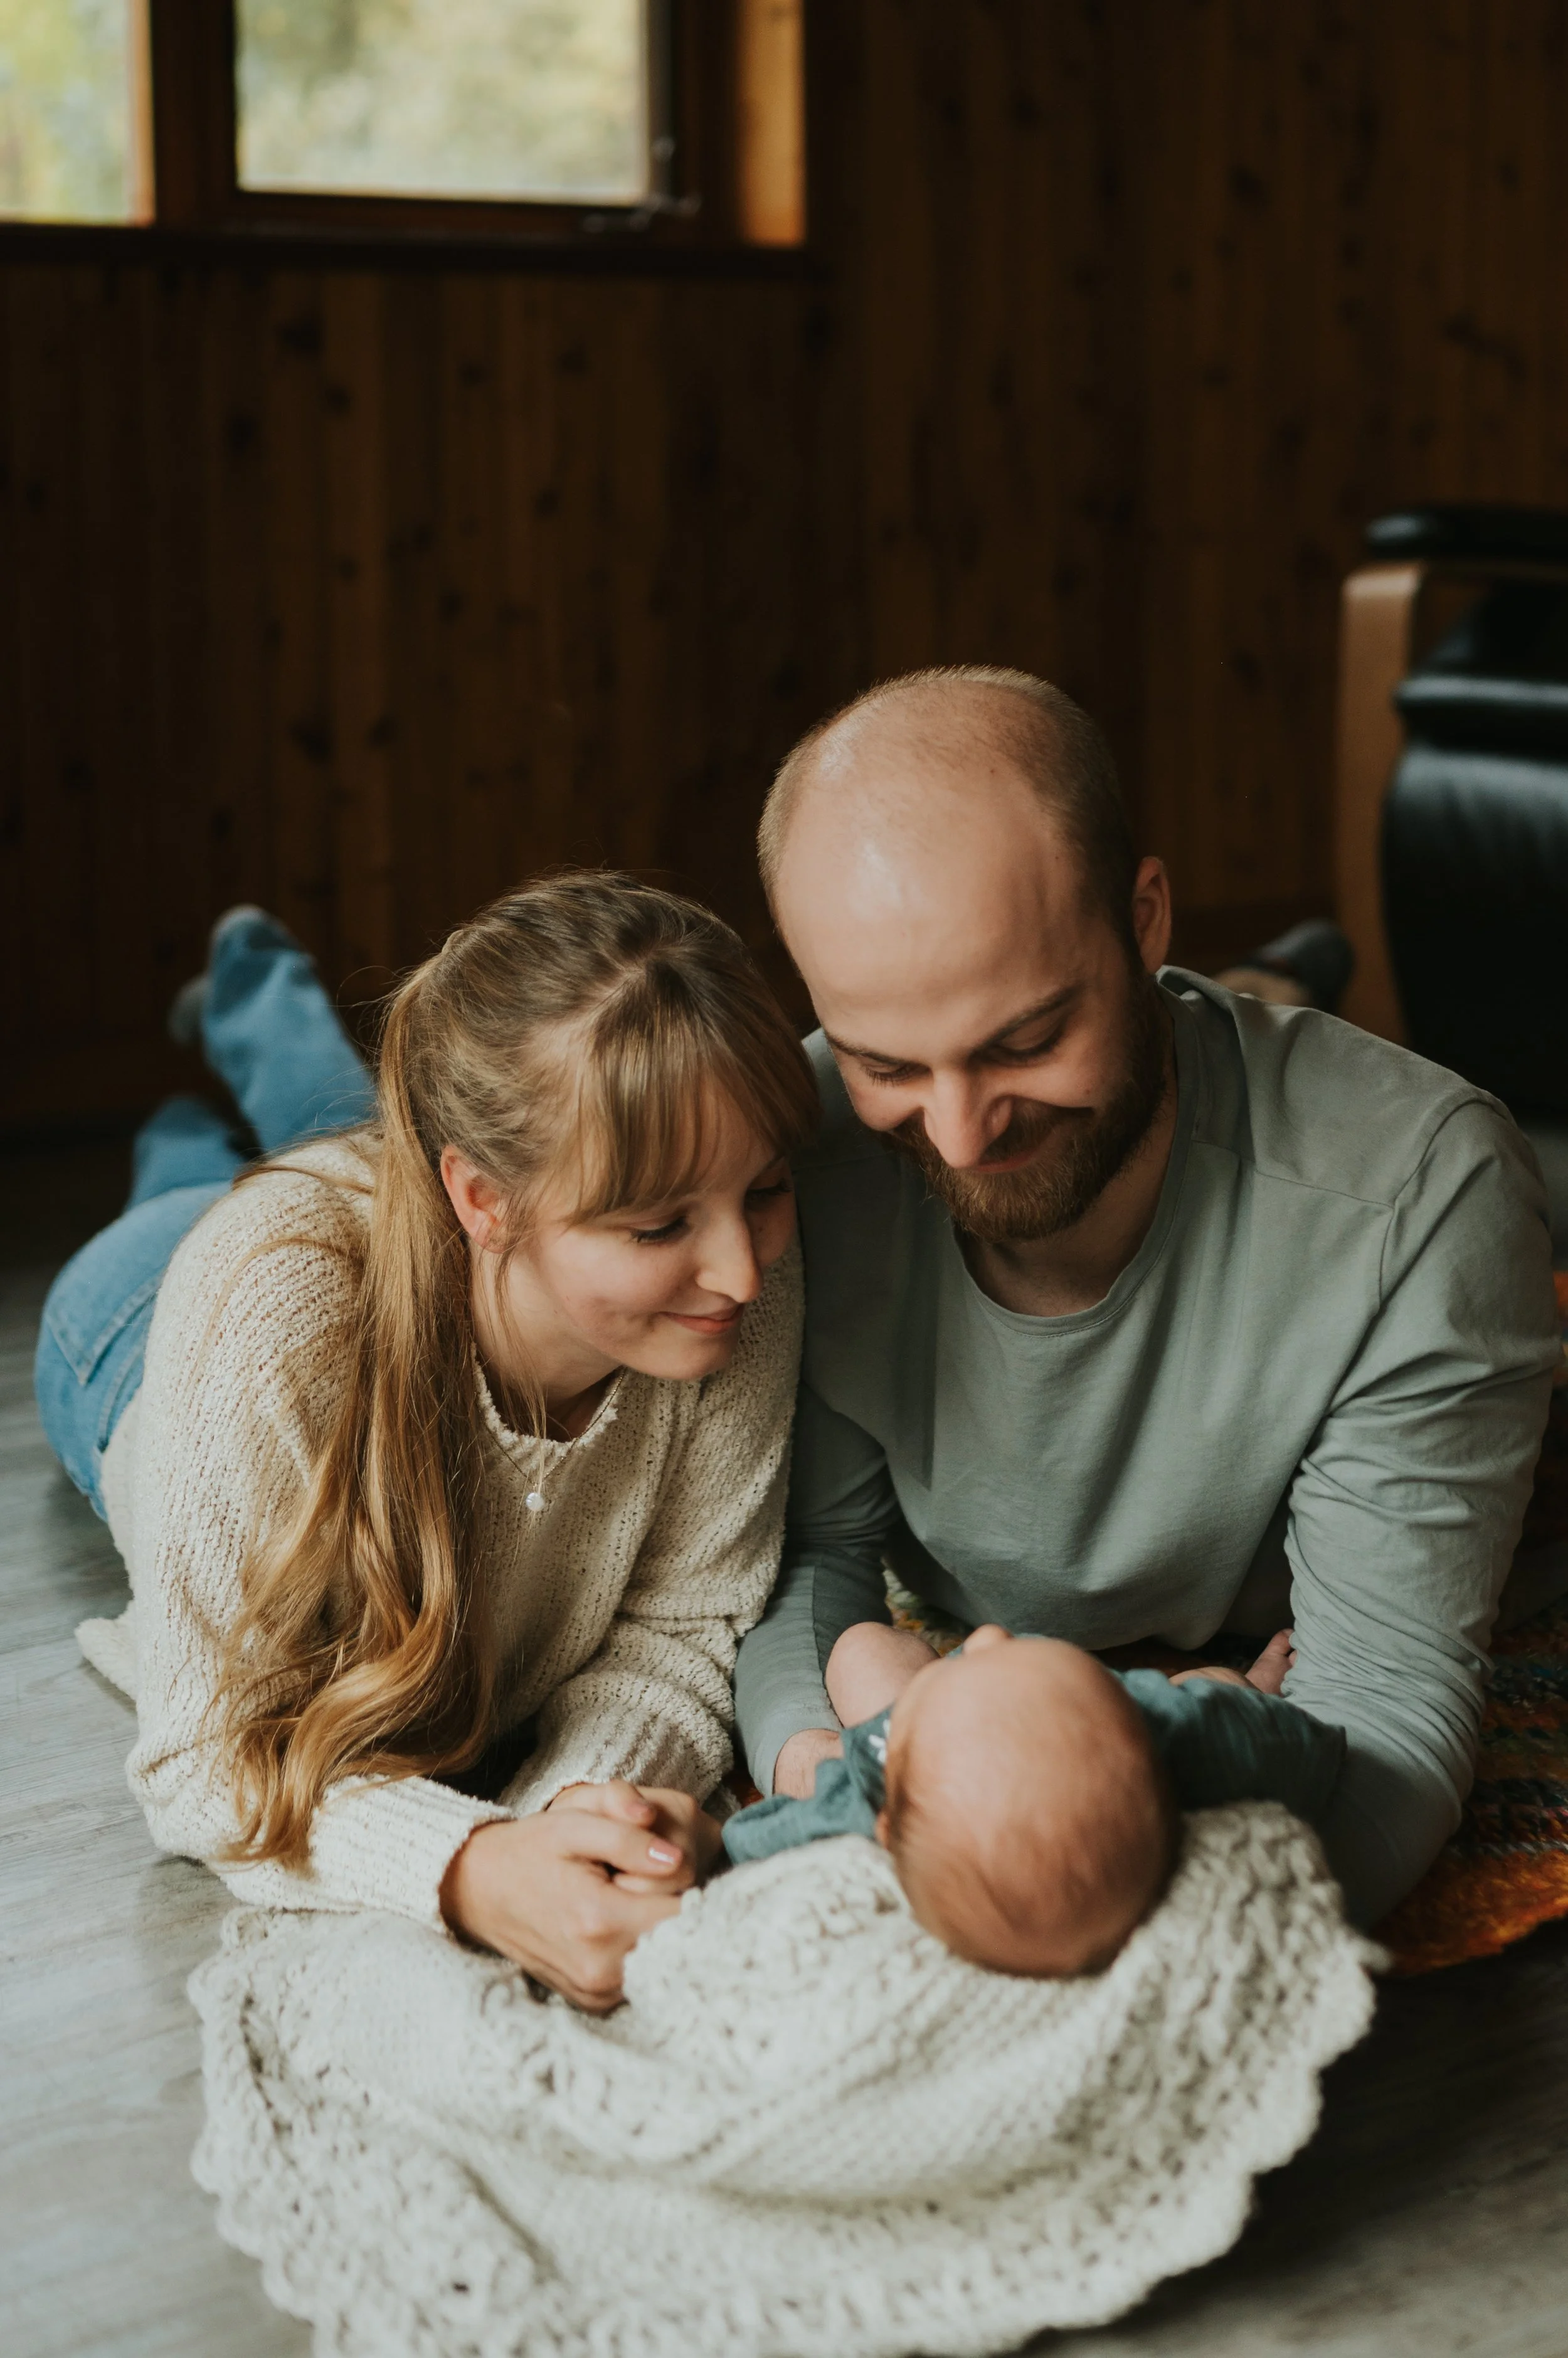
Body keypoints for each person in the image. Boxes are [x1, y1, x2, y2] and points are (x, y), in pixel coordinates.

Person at [732, 666, 1560, 1928]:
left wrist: (1059, 1866)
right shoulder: (798, 1160)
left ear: (1146, 915)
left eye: (1022, 1039)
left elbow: (1383, 1729)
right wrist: (844, 1795)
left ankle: (1277, 990)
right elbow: (812, 1566)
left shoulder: (1427, 1195)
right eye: (887, 1063)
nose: (954, 1136)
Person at [35, 879, 817, 2012]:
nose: (743, 1269)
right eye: (657, 1226)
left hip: (407, 1209)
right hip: (139, 1322)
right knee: (194, 1183)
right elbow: (207, 1756)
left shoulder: (730, 1263)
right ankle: (200, 1090)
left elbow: (685, 1628)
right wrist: (473, 1867)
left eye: (770, 1189)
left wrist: (573, 1818)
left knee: (364, 1119)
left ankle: (250, 1031)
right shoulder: (263, 1299)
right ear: (483, 1199)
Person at [722, 1623, 1344, 1975]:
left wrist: (705, 1846)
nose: (988, 1634)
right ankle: (1240, 1680)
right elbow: (1303, 1749)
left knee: (861, 1654)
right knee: (1211, 1689)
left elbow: (758, 1842)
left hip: (952, 1716)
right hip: (1075, 1691)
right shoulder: (1167, 1726)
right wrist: (1254, 1701)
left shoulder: (873, 1785)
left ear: (886, 1831)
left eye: (979, 1649)